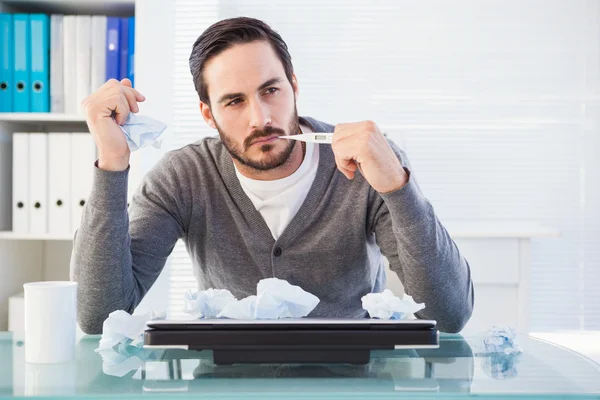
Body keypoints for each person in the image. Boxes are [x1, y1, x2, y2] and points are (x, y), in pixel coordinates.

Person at [71, 17, 474, 334]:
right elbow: (98, 315)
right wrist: (111, 163)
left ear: (294, 85)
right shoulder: (183, 178)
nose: (260, 118)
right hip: (227, 383)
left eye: (271, 91)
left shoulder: (366, 163)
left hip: (352, 381)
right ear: (208, 114)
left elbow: (450, 314)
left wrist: (398, 187)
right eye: (234, 101)